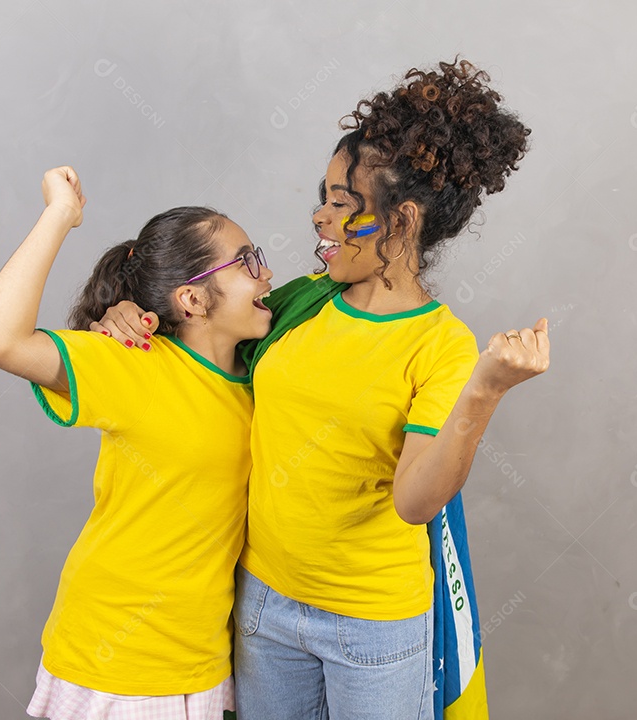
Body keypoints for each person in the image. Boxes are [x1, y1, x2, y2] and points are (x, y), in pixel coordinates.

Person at [96, 58, 547, 720]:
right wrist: (129, 317)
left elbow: (417, 501)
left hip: (370, 625)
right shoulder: (303, 302)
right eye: (324, 197)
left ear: (399, 221)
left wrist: (484, 392)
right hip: (263, 604)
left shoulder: (440, 345)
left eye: (341, 203)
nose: (319, 217)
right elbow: (196, 343)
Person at [0, 166, 274, 719]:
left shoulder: (262, 374)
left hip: (200, 663)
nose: (267, 274)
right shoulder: (132, 362)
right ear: (193, 299)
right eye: (248, 261)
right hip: (117, 659)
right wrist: (59, 216)